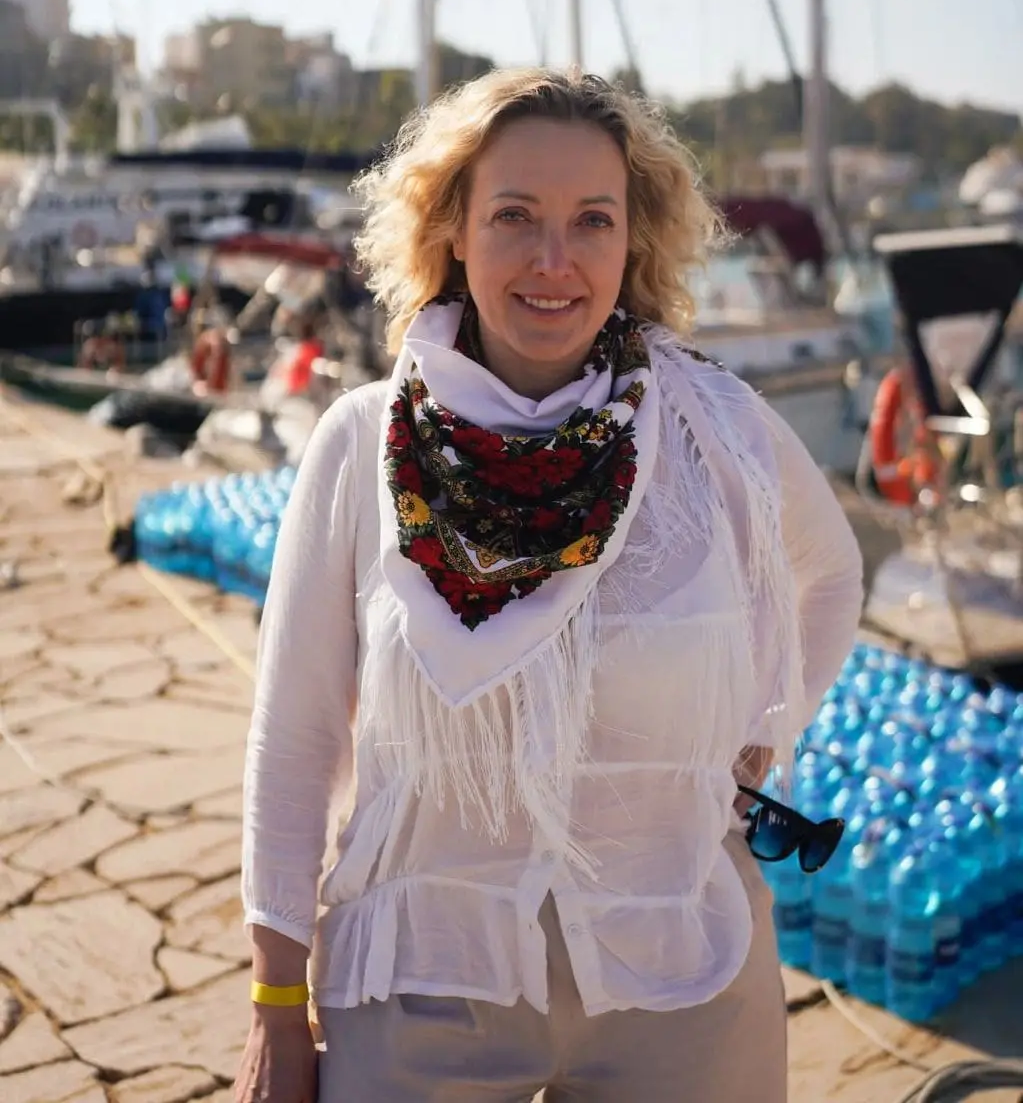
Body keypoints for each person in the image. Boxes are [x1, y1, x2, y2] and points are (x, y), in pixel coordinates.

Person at [236, 68, 863, 1103]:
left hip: (681, 969)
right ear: (453, 231)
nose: (554, 260)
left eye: (593, 221)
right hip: (423, 973)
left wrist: (769, 724)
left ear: (634, 240)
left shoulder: (716, 425)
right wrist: (274, 1003)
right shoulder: (362, 443)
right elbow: (294, 734)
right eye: (514, 216)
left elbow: (830, 571)